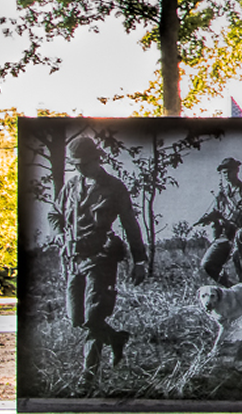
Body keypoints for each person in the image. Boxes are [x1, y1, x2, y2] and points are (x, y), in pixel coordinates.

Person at [57, 136, 150, 390]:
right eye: (75, 164)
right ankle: (116, 339)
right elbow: (55, 213)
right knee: (77, 318)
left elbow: (131, 225)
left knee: (93, 315)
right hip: (75, 260)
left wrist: (139, 260)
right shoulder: (71, 186)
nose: (79, 168)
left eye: (84, 163)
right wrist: (60, 234)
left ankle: (88, 379)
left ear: (97, 160)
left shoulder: (114, 187)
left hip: (101, 259)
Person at [198, 157, 242, 287]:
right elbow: (216, 212)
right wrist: (209, 218)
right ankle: (231, 288)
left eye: (229, 171)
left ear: (236, 171)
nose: (226, 175)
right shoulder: (222, 194)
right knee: (207, 263)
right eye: (224, 172)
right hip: (225, 235)